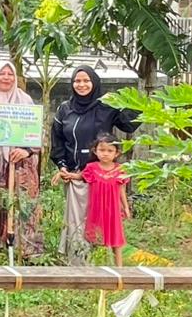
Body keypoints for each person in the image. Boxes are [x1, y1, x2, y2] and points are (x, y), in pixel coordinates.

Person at [50, 66, 140, 265]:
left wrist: (128, 100)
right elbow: (57, 141)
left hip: (102, 177)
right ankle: (79, 266)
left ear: (95, 83)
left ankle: (102, 264)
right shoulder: (64, 109)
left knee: (101, 221)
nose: (81, 85)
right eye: (77, 81)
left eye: (86, 81)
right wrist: (62, 165)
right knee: (77, 222)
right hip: (75, 176)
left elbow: (129, 124)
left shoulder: (106, 106)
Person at [0, 60, 43, 258]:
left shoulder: (24, 100)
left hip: (22, 164)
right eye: (2, 74)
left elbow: (38, 132)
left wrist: (27, 150)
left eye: (10, 74)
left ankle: (26, 252)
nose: (6, 78)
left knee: (24, 204)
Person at [70, 134, 131, 266]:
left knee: (116, 238)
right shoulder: (91, 168)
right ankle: (96, 268)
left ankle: (119, 269)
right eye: (102, 150)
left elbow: (122, 189)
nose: (105, 154)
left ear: (116, 153)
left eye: (110, 151)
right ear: (95, 151)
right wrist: (65, 174)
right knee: (96, 237)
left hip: (113, 210)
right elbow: (79, 177)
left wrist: (125, 207)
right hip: (97, 209)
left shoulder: (120, 169)